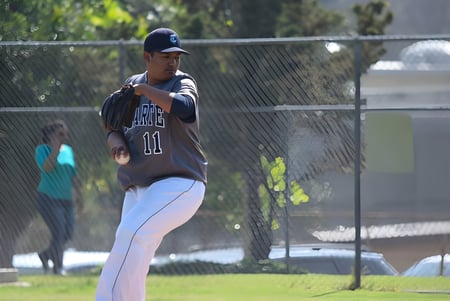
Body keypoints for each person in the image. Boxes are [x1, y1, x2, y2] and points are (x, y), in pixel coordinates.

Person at [95, 28, 207, 301]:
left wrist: (145, 90)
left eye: (177, 57)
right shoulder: (131, 84)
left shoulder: (182, 82)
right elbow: (112, 125)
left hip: (180, 183)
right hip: (139, 187)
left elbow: (185, 108)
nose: (173, 63)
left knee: (130, 232)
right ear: (147, 56)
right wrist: (116, 143)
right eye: (166, 57)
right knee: (136, 252)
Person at [35, 119, 83, 275]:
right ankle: (58, 267)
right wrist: (55, 147)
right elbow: (48, 168)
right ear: (50, 134)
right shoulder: (41, 150)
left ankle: (45, 255)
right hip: (48, 198)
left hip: (66, 200)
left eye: (65, 134)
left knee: (68, 232)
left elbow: (73, 174)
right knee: (59, 232)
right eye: (60, 133)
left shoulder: (68, 150)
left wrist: (80, 196)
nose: (64, 136)